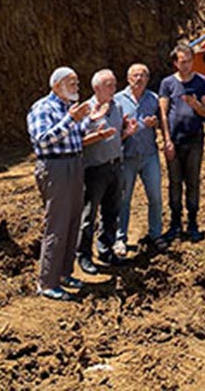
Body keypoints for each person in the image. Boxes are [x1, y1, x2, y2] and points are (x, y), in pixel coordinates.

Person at [27, 67, 99, 301]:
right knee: (57, 224)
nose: (77, 86)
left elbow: (75, 135)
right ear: (57, 85)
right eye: (72, 82)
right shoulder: (42, 108)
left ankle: (64, 273)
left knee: (72, 221)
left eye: (77, 82)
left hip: (74, 165)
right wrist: (72, 119)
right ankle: (47, 282)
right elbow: (43, 140)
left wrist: (90, 122)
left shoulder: (69, 109)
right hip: (55, 168)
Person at [78, 69, 135, 274]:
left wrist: (127, 133)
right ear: (97, 88)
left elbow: (117, 136)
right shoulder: (86, 110)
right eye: (109, 85)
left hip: (115, 165)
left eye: (114, 84)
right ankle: (84, 255)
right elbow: (78, 140)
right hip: (94, 169)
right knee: (89, 214)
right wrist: (96, 132)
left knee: (111, 212)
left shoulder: (117, 106)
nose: (114, 88)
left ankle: (105, 249)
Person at [158, 44, 205, 242]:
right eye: (182, 61)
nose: (186, 65)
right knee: (174, 182)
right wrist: (167, 140)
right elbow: (163, 113)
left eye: (189, 61)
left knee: (193, 182)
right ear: (175, 62)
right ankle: (175, 223)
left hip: (194, 139)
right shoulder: (167, 83)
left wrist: (195, 104)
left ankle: (193, 222)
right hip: (175, 140)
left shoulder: (201, 82)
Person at [115, 63, 167, 253]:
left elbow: (163, 123)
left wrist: (155, 123)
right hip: (126, 156)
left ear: (148, 78)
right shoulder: (118, 100)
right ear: (128, 78)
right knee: (124, 199)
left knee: (155, 197)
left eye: (143, 75)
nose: (139, 79)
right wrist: (126, 132)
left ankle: (156, 234)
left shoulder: (153, 99)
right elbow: (113, 130)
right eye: (135, 75)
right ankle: (120, 238)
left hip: (149, 155)